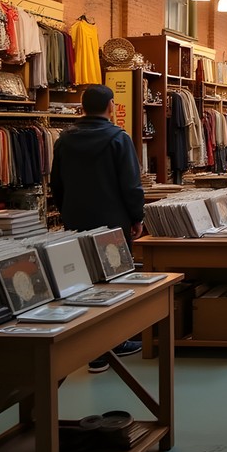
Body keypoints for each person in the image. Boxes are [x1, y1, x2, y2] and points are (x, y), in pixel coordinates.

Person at [50, 85, 145, 372]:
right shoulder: (118, 138)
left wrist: (67, 212)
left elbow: (57, 183)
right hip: (112, 220)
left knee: (82, 281)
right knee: (114, 280)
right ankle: (113, 344)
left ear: (82, 106)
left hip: (76, 219)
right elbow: (131, 184)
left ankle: (89, 351)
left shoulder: (64, 139)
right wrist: (136, 216)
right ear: (111, 106)